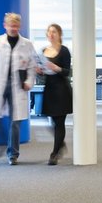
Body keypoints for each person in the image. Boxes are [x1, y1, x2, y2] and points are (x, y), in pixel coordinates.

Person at [0, 13, 36, 165]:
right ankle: (4, 142)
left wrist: (30, 81)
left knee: (15, 122)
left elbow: (32, 66)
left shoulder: (27, 44)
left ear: (19, 26)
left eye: (16, 26)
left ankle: (13, 154)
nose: (13, 28)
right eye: (11, 25)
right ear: (5, 25)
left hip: (17, 86)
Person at [37, 23, 72, 165]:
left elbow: (67, 72)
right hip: (49, 89)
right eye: (49, 32)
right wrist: (39, 71)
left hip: (61, 90)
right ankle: (60, 144)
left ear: (60, 34)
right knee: (49, 121)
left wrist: (57, 68)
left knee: (59, 122)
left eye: (54, 32)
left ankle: (54, 153)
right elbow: (42, 73)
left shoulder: (64, 51)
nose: (51, 34)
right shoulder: (43, 51)